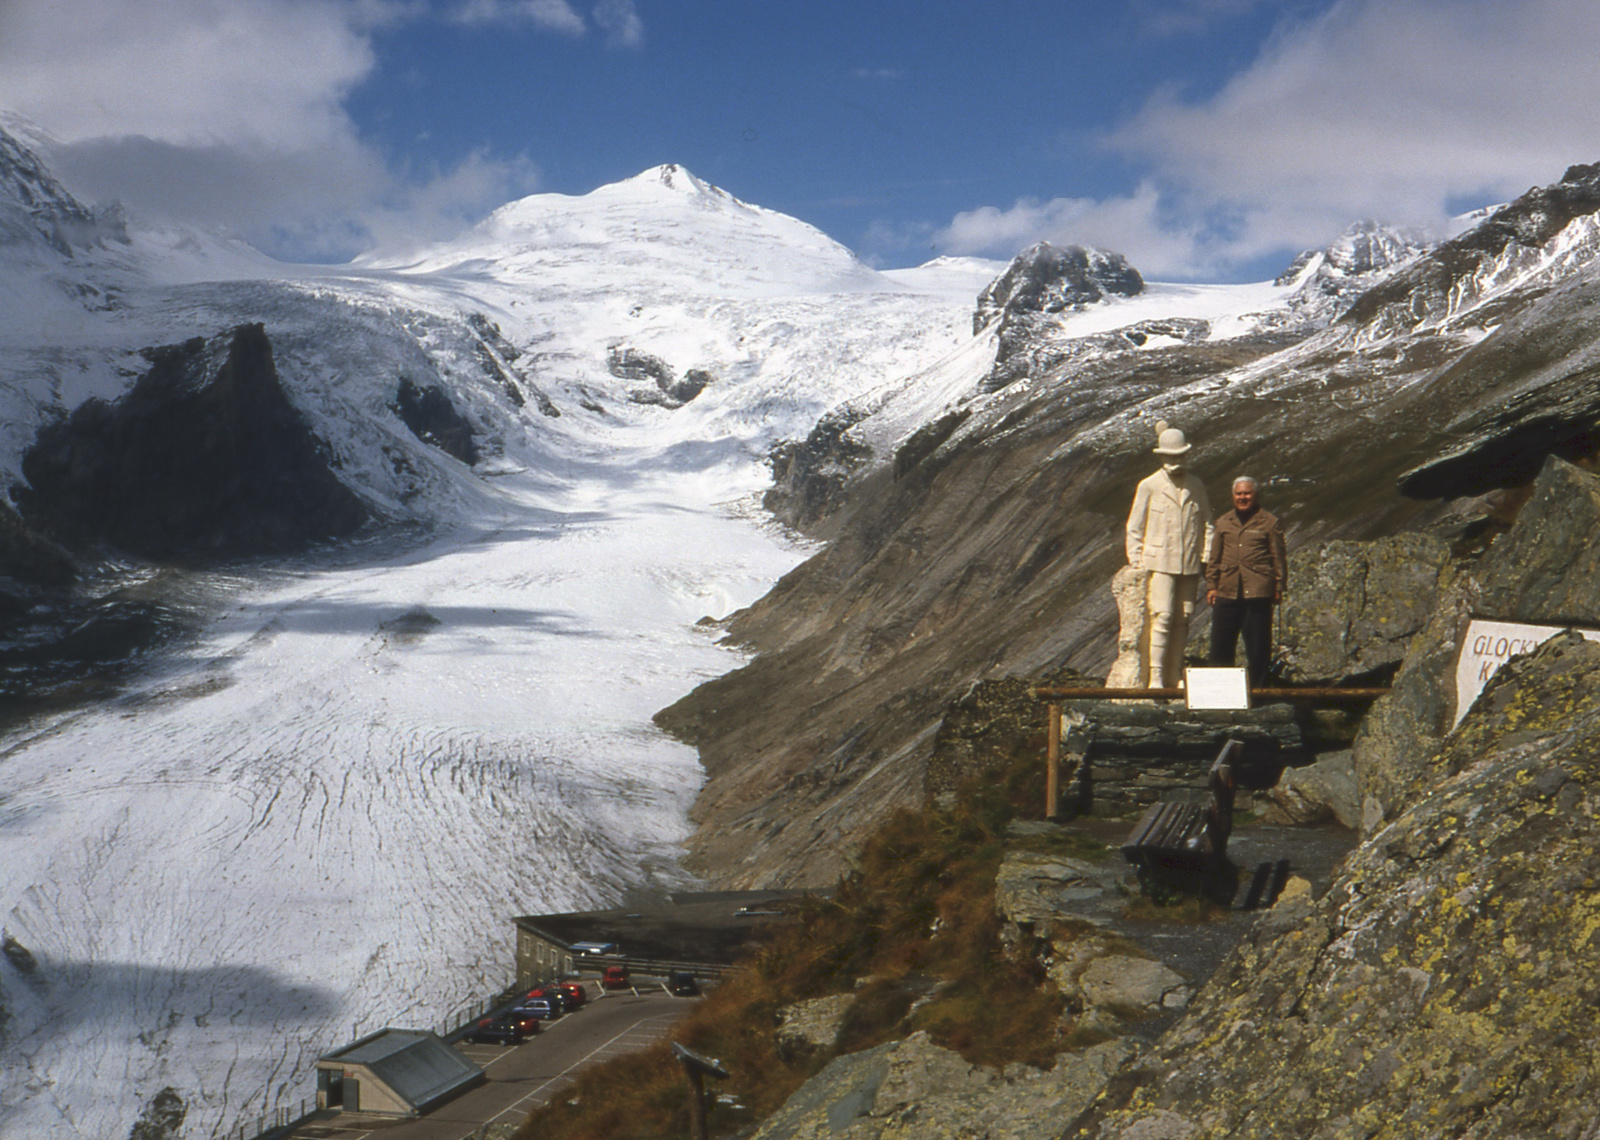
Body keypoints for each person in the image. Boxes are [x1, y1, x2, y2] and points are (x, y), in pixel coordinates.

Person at [1125, 423, 1213, 688]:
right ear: (1162, 456)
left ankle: (1175, 674)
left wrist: (1206, 555)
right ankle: (1156, 677)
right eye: (1173, 457)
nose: (1178, 461)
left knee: (1184, 618)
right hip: (1159, 563)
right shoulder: (1149, 486)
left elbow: (1208, 522)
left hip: (1188, 564)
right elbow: (1134, 526)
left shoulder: (1196, 485)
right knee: (1162, 616)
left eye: (1181, 456)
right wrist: (1136, 559)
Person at [1205, 476, 1287, 686]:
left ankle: (1259, 694)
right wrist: (1212, 585)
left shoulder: (1269, 522)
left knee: (1258, 647)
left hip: (1258, 591)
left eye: (1247, 493)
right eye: (1239, 493)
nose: (1243, 497)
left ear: (1256, 495)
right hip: (1227, 590)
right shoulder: (1223, 522)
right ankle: (1220, 693)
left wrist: (1279, 586)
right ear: (1233, 496)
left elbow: (1278, 556)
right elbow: (1215, 557)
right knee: (1220, 646)